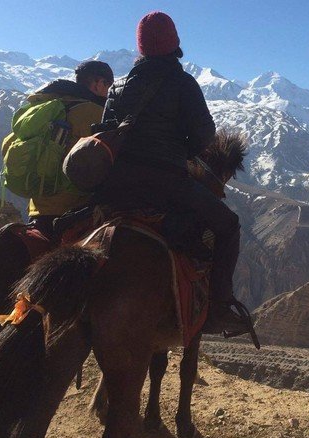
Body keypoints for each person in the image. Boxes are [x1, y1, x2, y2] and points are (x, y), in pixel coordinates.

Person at [96, 11, 251, 336]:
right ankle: (219, 310)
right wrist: (181, 148)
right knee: (229, 227)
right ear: (173, 44)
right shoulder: (182, 84)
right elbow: (203, 136)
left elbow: (107, 133)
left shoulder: (119, 87)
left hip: (115, 189)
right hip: (167, 185)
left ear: (140, 47)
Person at [27, 60, 114, 240]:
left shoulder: (50, 106)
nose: (109, 92)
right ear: (98, 83)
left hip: (38, 205)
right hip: (74, 207)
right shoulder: (94, 112)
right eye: (108, 86)